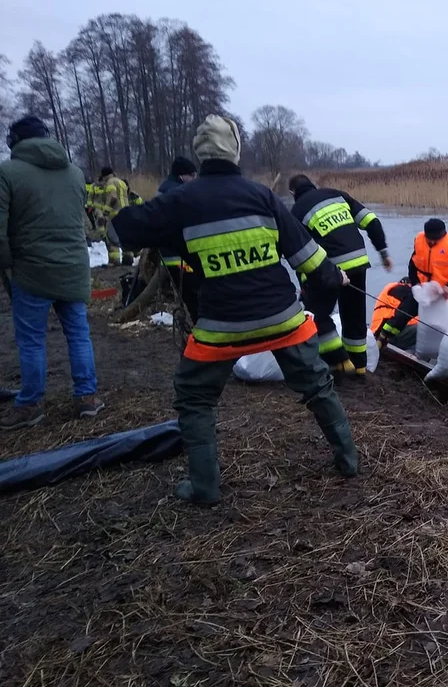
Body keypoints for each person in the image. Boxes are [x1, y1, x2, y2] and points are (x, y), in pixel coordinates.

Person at [110, 115, 360, 505]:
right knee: (317, 385)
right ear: (236, 151)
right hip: (283, 319)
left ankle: (205, 488)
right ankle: (349, 460)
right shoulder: (262, 196)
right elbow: (308, 259)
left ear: (200, 155)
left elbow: (121, 230)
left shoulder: (179, 199)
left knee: (194, 398)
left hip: (219, 328)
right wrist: (336, 278)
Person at [0, 115, 105, 430]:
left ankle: (31, 403)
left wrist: (7, 266)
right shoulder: (74, 172)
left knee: (32, 339)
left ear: (15, 142)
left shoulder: (6, 173)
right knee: (78, 333)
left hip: (32, 270)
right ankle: (87, 398)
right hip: (73, 267)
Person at [288, 175, 392, 377]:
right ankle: (360, 366)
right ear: (313, 185)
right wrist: (383, 253)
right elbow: (372, 222)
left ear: (293, 193)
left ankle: (340, 362)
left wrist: (305, 285)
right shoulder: (337, 195)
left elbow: (301, 252)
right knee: (355, 315)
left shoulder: (297, 211)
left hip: (329, 268)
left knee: (316, 313)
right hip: (359, 262)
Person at [378, 218, 448, 347]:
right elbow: (412, 266)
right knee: (400, 315)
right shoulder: (419, 241)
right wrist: (416, 284)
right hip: (422, 290)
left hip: (445, 295)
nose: (433, 241)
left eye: (436, 239)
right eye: (430, 239)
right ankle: (382, 339)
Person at [156, 156, 200, 323]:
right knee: (194, 298)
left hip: (170, 254)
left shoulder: (166, 188)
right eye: (192, 175)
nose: (194, 179)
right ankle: (199, 332)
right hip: (179, 257)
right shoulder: (176, 192)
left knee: (190, 297)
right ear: (182, 176)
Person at [97, 166, 132, 265]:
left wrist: (106, 212)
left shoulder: (110, 182)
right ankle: (128, 259)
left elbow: (113, 197)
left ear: (104, 176)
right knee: (125, 237)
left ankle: (114, 261)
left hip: (115, 215)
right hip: (126, 213)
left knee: (112, 238)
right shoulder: (121, 182)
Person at [371, 278, 419, 350]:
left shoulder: (390, 290)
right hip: (389, 335)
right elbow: (402, 316)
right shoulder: (405, 291)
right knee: (424, 330)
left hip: (378, 333)